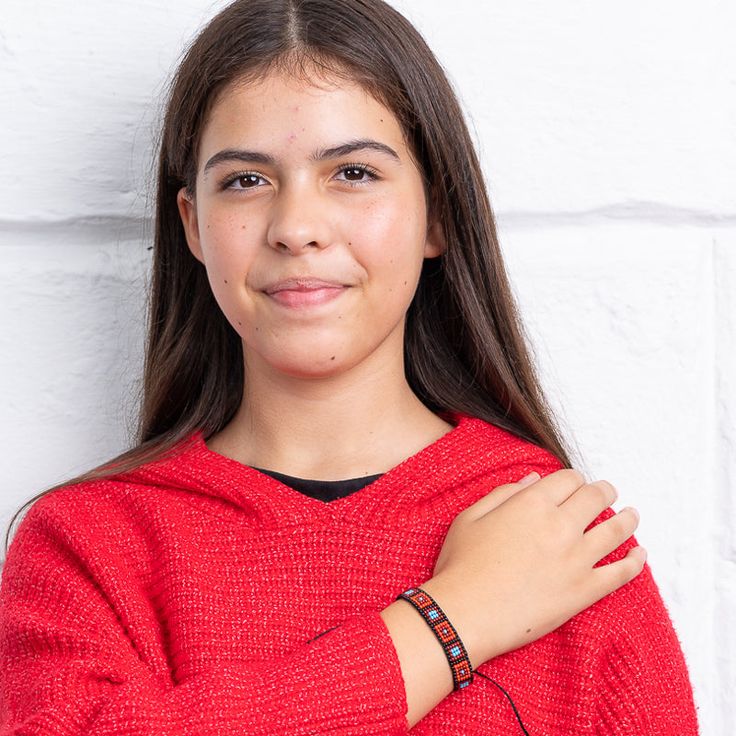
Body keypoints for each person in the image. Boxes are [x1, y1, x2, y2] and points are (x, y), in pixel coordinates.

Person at [0, 1, 699, 733]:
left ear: (437, 216)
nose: (297, 227)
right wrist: (451, 620)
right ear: (192, 226)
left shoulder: (560, 541)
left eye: (354, 172)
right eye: (245, 180)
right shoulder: (87, 546)